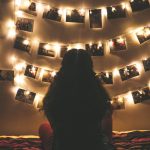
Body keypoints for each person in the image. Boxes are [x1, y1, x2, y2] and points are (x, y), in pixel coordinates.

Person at [39, 49, 113, 150]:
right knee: (106, 119)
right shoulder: (97, 95)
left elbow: (54, 126)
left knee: (44, 127)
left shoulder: (55, 97)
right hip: (94, 145)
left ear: (64, 67)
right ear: (89, 67)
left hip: (64, 145)